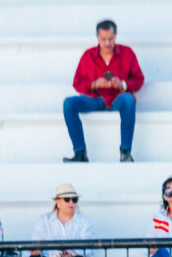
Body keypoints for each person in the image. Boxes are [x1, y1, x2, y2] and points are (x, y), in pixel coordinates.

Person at [63, 19, 144, 163]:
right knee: (69, 103)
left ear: (116, 36)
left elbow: (139, 80)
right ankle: (80, 152)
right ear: (97, 37)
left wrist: (123, 84)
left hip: (117, 98)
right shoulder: (88, 55)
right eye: (104, 39)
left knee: (128, 100)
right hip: (94, 98)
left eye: (111, 39)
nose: (107, 43)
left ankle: (125, 152)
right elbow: (77, 83)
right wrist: (94, 84)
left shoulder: (127, 53)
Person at [25, 183, 96, 257]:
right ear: (58, 202)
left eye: (74, 199)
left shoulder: (84, 221)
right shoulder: (44, 220)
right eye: (67, 199)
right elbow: (35, 242)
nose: (71, 203)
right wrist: (36, 250)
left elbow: (89, 248)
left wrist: (72, 254)